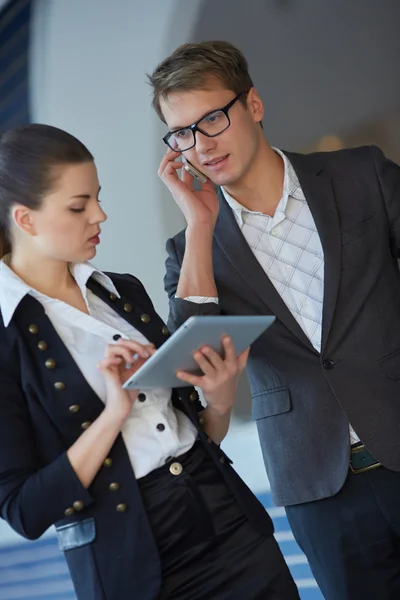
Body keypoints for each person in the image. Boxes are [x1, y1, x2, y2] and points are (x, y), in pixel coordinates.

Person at [0, 123, 299, 600]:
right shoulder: (8, 335)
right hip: (135, 564)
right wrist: (113, 413)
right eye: (78, 206)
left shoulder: (123, 292)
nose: (100, 215)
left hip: (229, 525)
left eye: (97, 197)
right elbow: (24, 510)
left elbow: (198, 432)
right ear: (26, 219)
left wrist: (219, 401)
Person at [149, 39, 400, 600]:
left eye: (212, 119)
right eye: (182, 134)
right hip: (318, 485)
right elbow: (192, 362)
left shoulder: (361, 174)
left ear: (253, 105)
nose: (200, 145)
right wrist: (197, 223)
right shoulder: (193, 248)